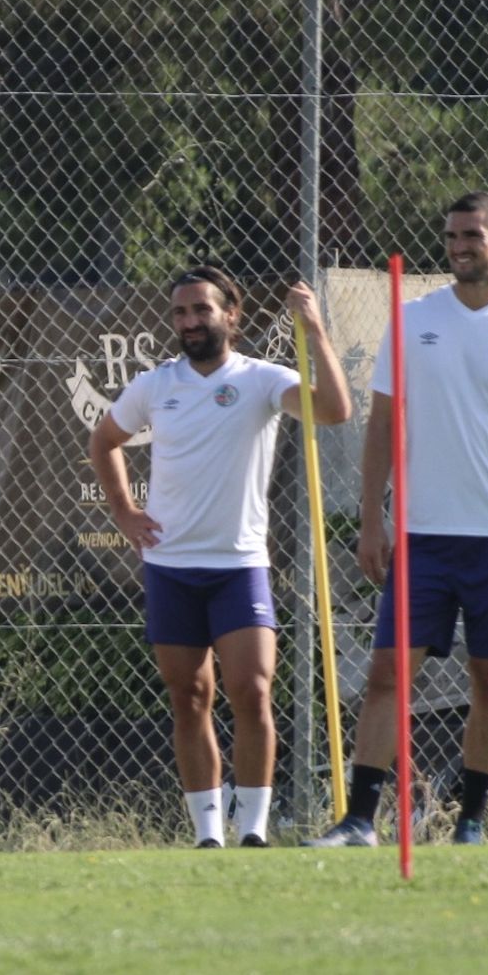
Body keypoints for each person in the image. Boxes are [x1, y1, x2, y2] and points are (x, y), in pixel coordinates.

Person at [304, 192, 488, 848]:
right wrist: (374, 518)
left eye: (472, 234)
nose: (457, 246)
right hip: (420, 537)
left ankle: (472, 822)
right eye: (450, 235)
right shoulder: (412, 319)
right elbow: (382, 426)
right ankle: (361, 820)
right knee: (386, 673)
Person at [89, 266, 350, 848]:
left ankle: (253, 828)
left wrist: (314, 331)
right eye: (181, 312)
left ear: (231, 315)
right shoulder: (156, 385)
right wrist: (124, 512)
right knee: (190, 696)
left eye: (202, 310)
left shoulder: (261, 380)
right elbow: (104, 441)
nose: (189, 322)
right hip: (170, 568)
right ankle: (209, 833)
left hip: (239, 566)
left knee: (253, 691)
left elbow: (335, 409)